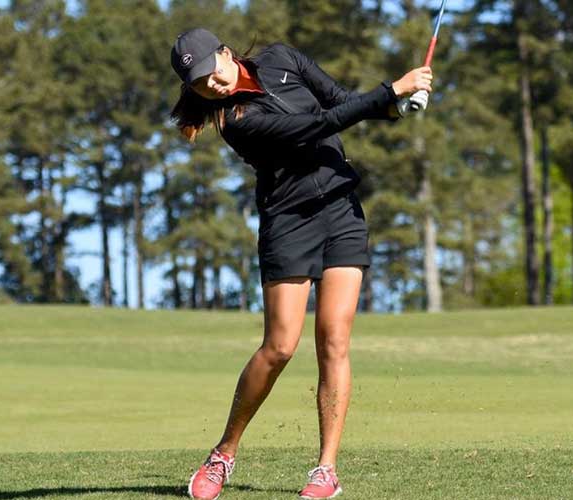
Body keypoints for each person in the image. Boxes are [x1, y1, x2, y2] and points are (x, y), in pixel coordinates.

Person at [169, 28, 433, 500]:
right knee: (280, 347)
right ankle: (224, 451)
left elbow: (339, 99)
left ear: (225, 53)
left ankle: (326, 468)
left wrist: (396, 107)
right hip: (289, 223)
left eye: (213, 73)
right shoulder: (236, 121)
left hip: (340, 210)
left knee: (334, 339)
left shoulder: (282, 58)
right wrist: (391, 91)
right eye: (200, 85)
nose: (213, 86)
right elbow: (318, 126)